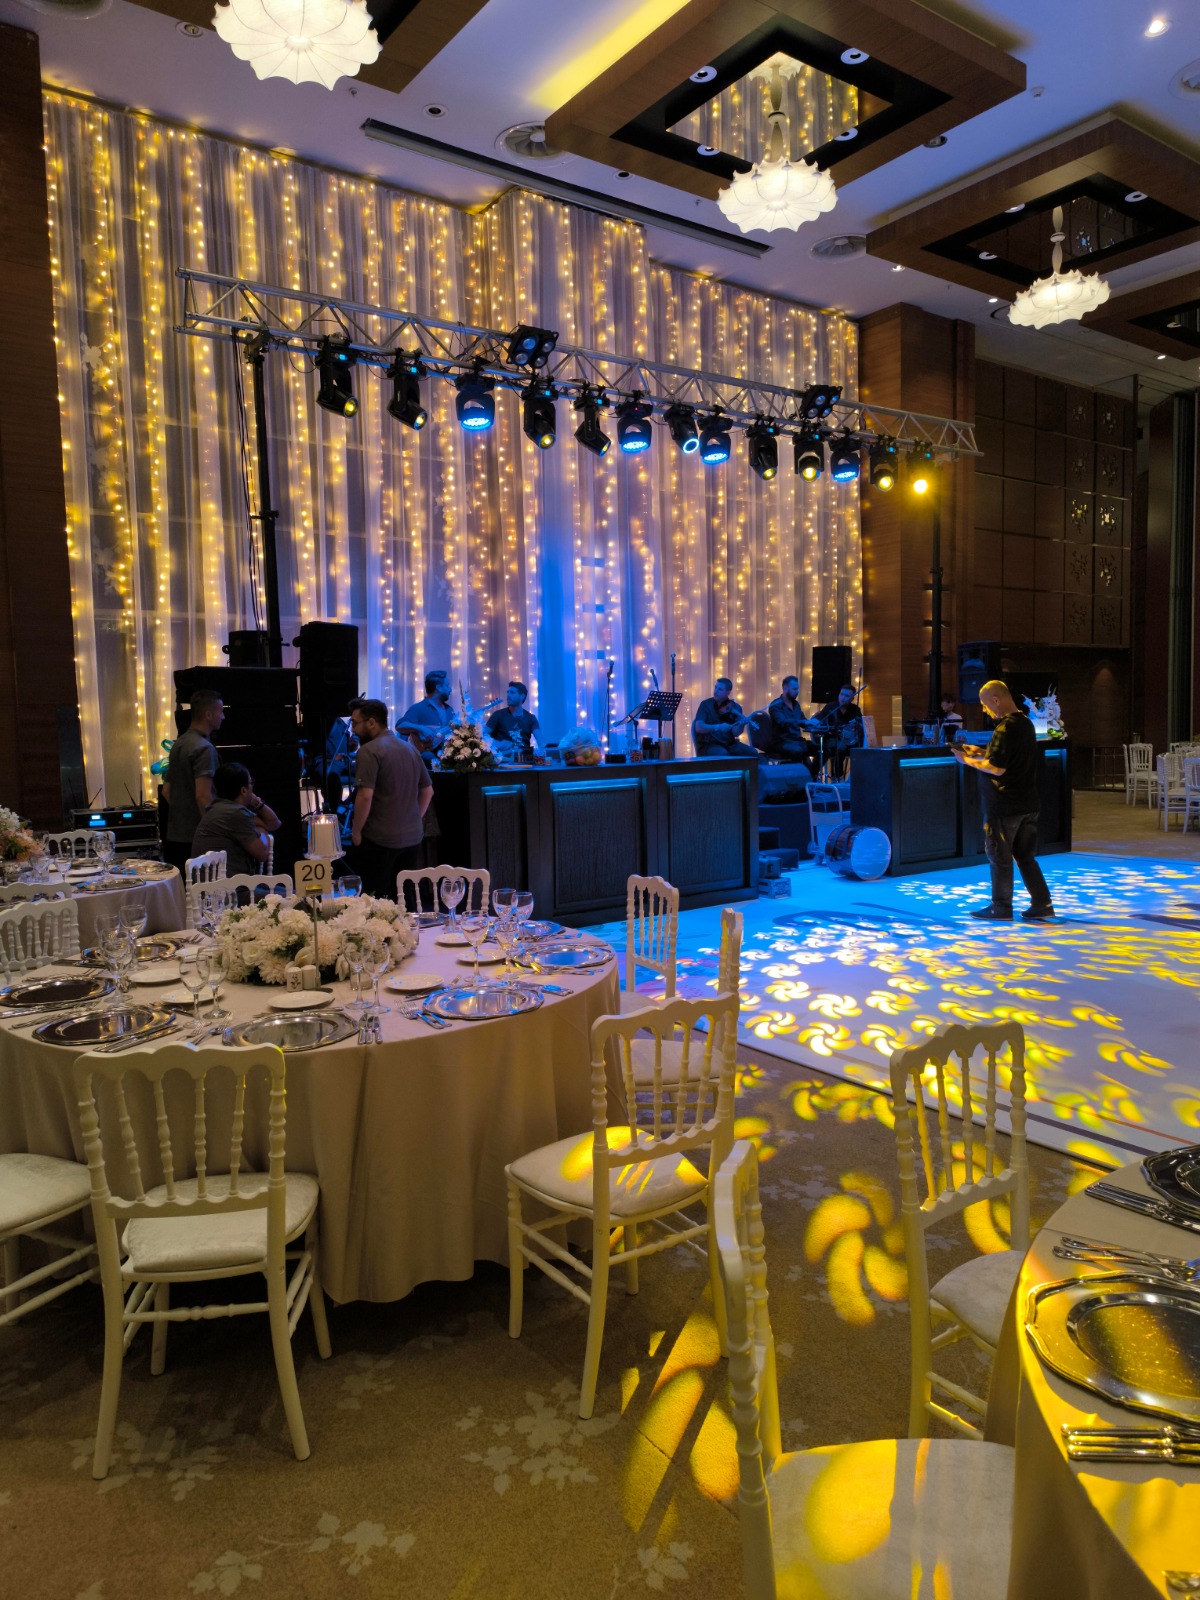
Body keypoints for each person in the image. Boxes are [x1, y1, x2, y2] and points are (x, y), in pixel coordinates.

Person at [952, 679, 1054, 922]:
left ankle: (1000, 907)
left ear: (996, 700)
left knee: (1000, 856)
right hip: (1028, 803)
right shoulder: (1025, 724)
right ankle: (1042, 903)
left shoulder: (1005, 728)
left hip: (1004, 805)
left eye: (985, 704)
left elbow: (997, 768)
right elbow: (1006, 758)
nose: (985, 709)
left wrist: (966, 760)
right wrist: (979, 752)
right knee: (1025, 857)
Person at [347, 697, 433, 899]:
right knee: (405, 900)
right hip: (412, 838)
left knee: (376, 902)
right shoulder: (410, 749)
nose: (353, 729)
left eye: (355, 723)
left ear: (371, 723)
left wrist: (356, 832)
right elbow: (428, 791)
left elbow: (365, 795)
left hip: (380, 840)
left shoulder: (368, 751)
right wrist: (415, 818)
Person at [161, 687, 224, 873]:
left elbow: (166, 791)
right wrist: (214, 833)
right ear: (208, 714)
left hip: (175, 836)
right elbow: (203, 796)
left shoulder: (178, 744)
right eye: (221, 712)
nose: (223, 717)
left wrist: (183, 811)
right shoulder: (204, 748)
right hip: (198, 840)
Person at [191, 762, 281, 876]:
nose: (252, 787)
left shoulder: (219, 807)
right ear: (244, 790)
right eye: (251, 782)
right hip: (229, 886)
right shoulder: (235, 814)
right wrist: (261, 831)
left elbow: (275, 823)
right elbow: (263, 854)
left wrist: (258, 804)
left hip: (214, 884)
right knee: (289, 887)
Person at [763, 675, 818, 772]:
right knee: (797, 750)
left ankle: (812, 774)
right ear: (785, 688)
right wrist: (803, 722)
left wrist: (812, 723)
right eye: (794, 689)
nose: (797, 691)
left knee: (823, 749)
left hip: (797, 740)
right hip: (782, 742)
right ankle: (798, 777)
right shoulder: (776, 705)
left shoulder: (796, 704)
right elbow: (782, 721)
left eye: (798, 689)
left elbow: (802, 720)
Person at [397, 670, 456, 757]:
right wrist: (421, 728)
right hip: (426, 762)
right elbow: (399, 725)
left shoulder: (449, 710)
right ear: (439, 687)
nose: (450, 689)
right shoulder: (418, 708)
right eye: (447, 686)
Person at [692, 677, 750, 757]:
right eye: (715, 687)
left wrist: (741, 725)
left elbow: (735, 733)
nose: (715, 691)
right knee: (724, 754)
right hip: (710, 745)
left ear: (728, 692)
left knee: (753, 753)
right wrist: (718, 727)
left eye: (720, 689)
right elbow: (698, 727)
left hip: (730, 744)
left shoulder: (735, 707)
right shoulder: (705, 704)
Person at [817, 684, 863, 778]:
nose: (843, 697)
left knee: (862, 748)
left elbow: (861, 724)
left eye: (847, 696)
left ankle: (857, 777)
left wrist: (857, 725)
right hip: (831, 738)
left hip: (848, 740)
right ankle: (838, 777)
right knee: (841, 747)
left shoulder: (855, 709)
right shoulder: (830, 707)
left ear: (852, 698)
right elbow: (820, 720)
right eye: (841, 694)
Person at [486, 681, 540, 760]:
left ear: (522, 696)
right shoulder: (498, 715)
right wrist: (498, 743)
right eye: (507, 692)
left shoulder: (531, 718)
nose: (508, 695)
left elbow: (541, 741)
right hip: (503, 760)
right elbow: (482, 737)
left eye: (512, 692)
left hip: (524, 760)